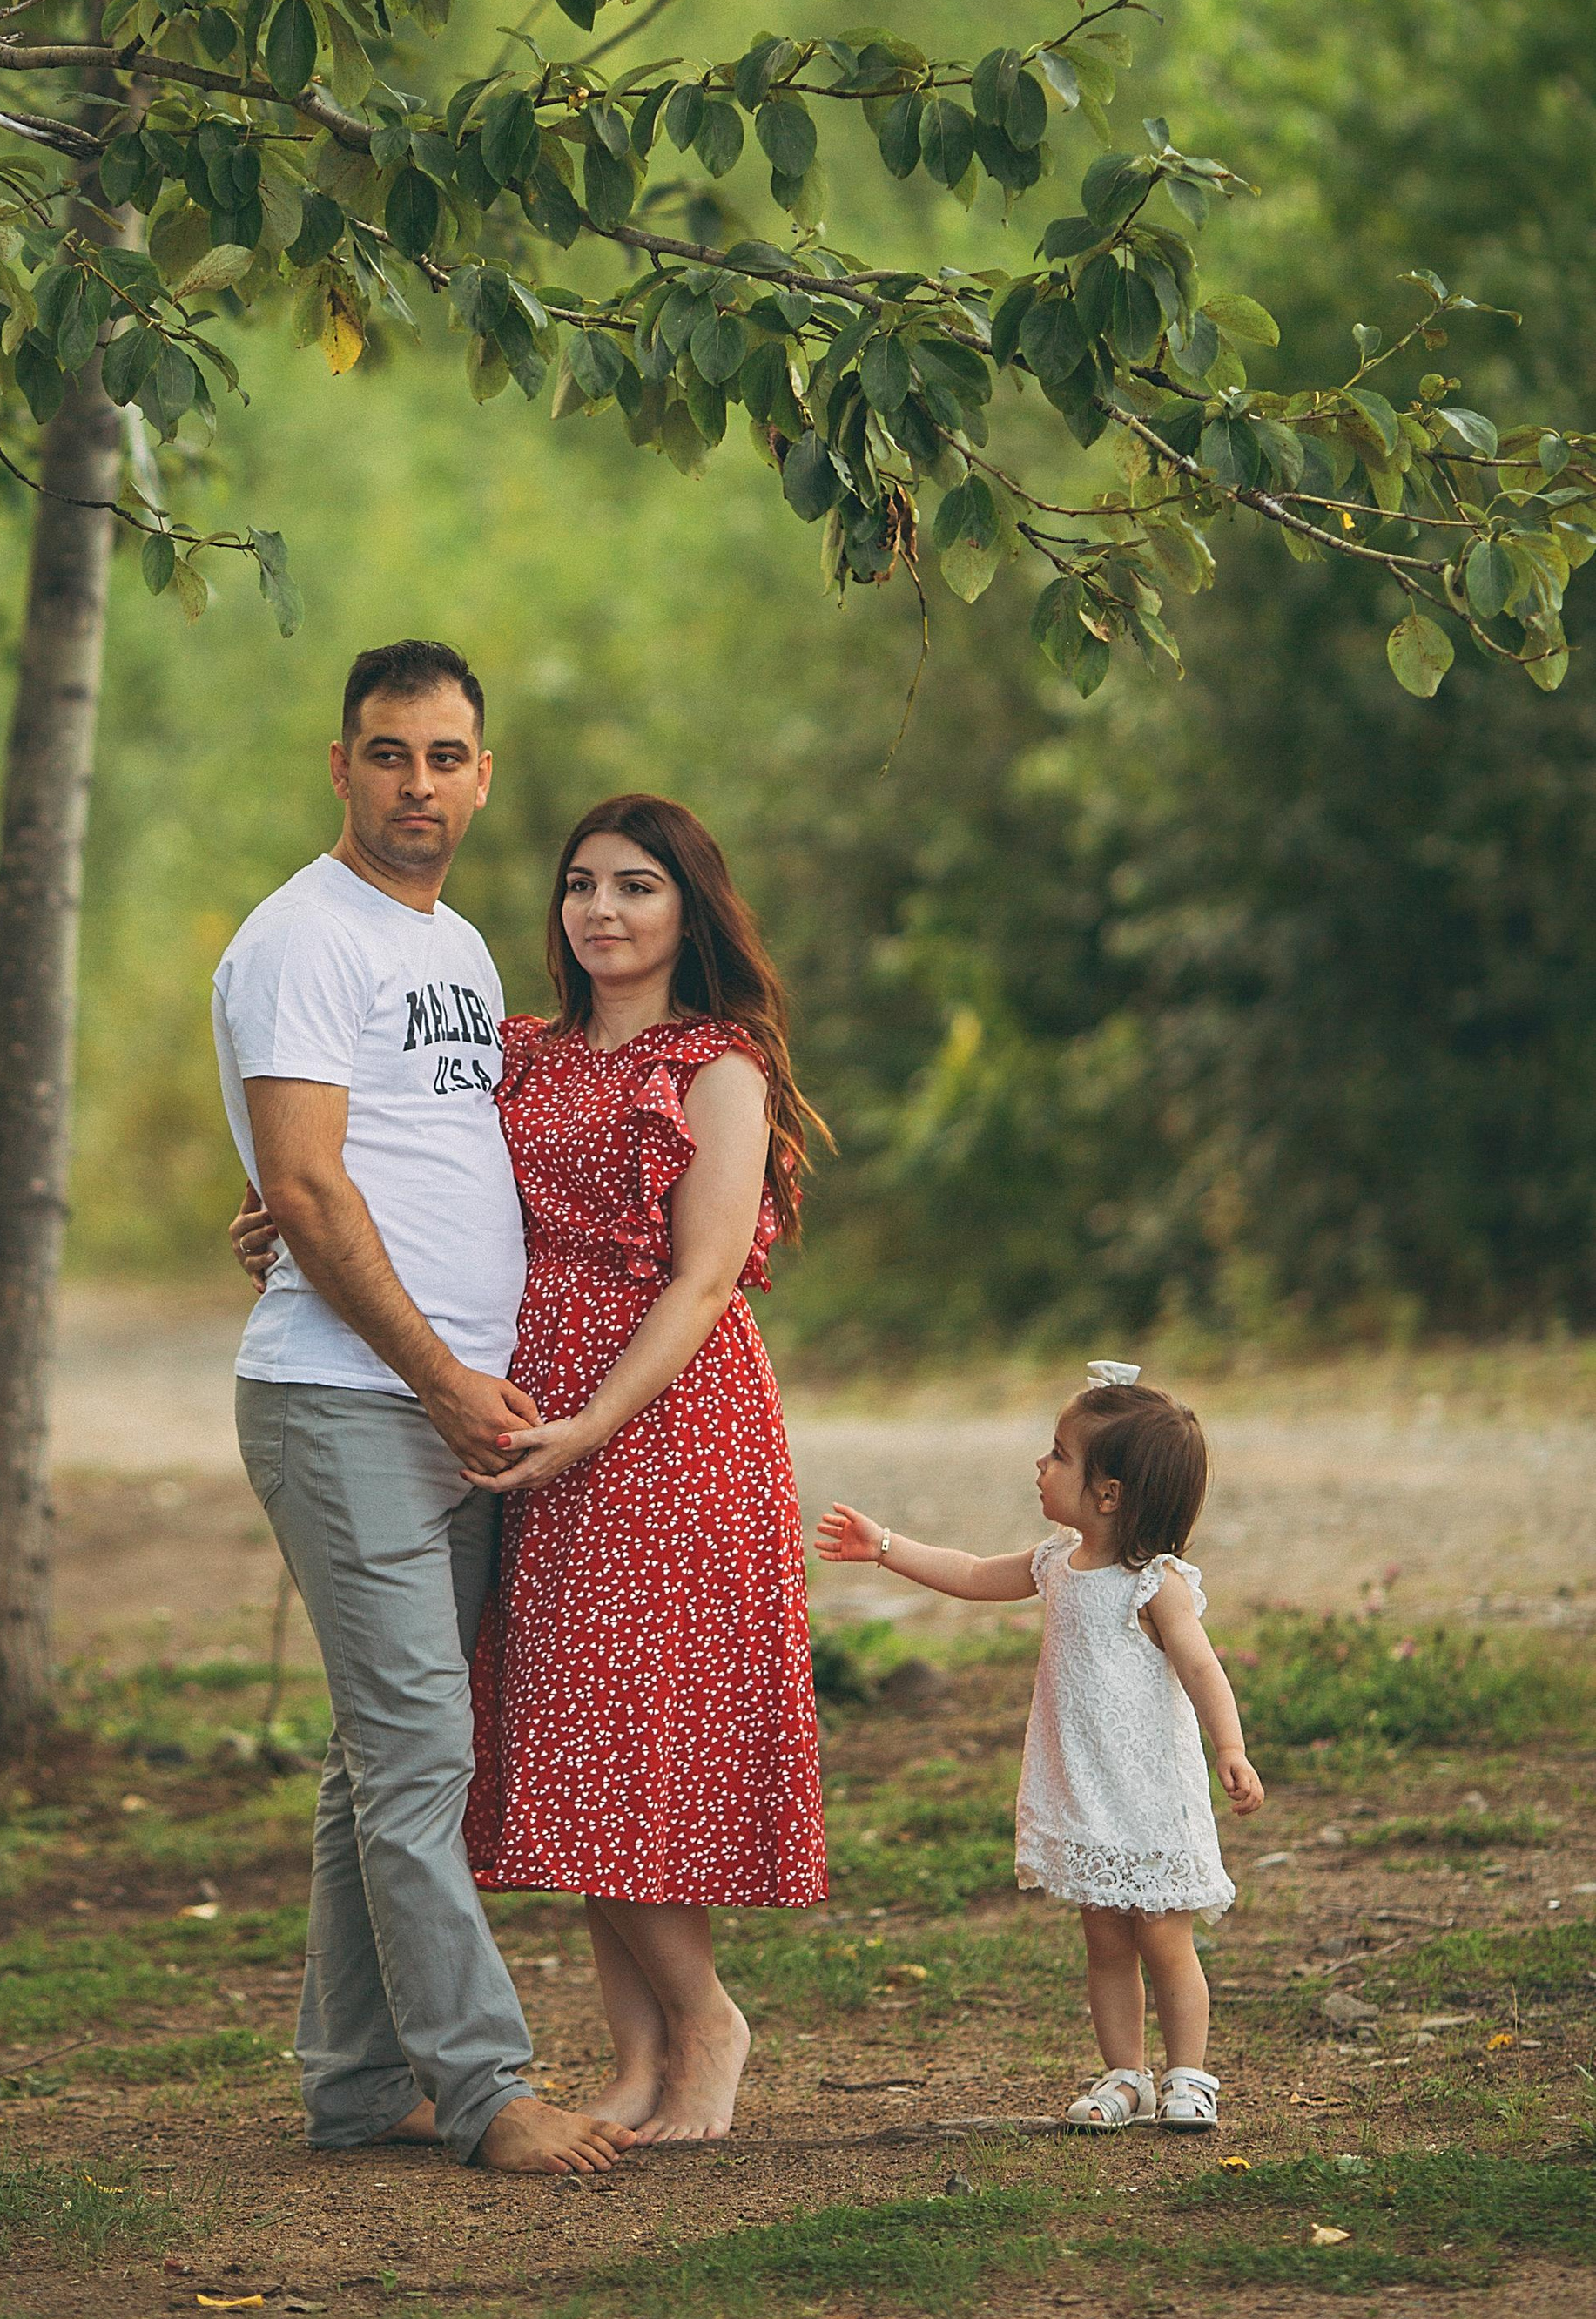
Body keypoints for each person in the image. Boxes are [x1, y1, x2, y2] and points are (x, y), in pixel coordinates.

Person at [238, 790, 832, 2146]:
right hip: (520, 1416)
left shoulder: (716, 1065)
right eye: (581, 886)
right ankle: (635, 2063)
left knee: (624, 1739)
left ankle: (708, 2027)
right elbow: (404, 1169)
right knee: (571, 1746)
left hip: (662, 1425)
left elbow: (702, 1282)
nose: (602, 911)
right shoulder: (519, 1051)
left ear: (689, 909)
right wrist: (279, 1218)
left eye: (635, 887)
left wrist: (594, 1425)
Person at [214, 638, 634, 2179]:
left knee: (376, 1758)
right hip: (352, 1402)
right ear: (341, 766)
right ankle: (486, 2088)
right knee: (417, 1760)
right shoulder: (300, 937)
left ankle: (354, 2082)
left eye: (446, 757)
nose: (418, 785)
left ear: (484, 773)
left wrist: (475, 1381)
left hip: (458, 1404)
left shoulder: (455, 950)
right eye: (388, 754)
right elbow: (311, 1185)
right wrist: (443, 1380)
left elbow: (391, 1158)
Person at [818, 1368, 1264, 2134]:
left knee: (1164, 1933)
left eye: (1058, 1455)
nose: (1040, 1466)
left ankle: (1189, 2072)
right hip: (1085, 1788)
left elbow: (1200, 1665)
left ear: (1110, 1493)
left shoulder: (1154, 1584)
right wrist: (885, 1547)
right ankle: (1126, 2075)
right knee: (1104, 1935)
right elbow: (967, 1571)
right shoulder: (1055, 1562)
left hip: (1151, 1791)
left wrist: (1230, 1743)